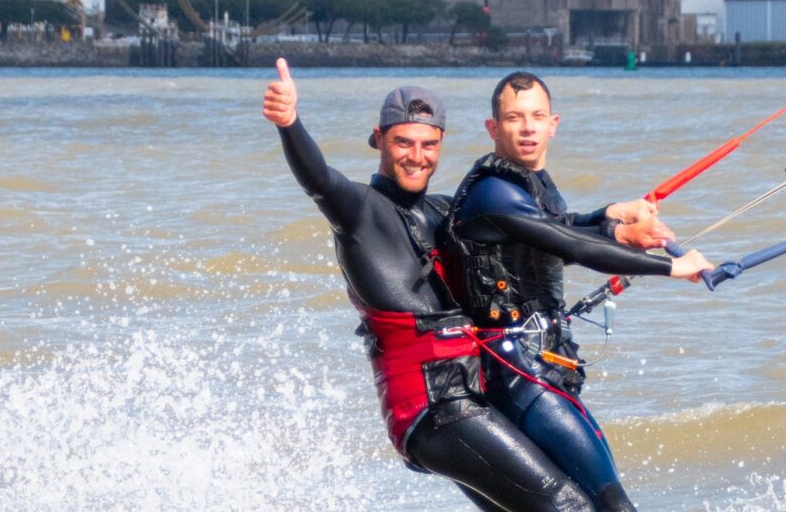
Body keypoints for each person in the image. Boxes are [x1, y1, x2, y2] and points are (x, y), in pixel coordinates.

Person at [262, 59, 595, 510]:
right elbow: (318, 180)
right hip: (432, 410)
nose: (416, 155)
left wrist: (613, 220)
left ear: (441, 146)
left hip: (468, 398)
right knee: (568, 505)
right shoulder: (360, 212)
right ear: (379, 139)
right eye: (402, 142)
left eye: (428, 144)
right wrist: (289, 124)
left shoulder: (442, 212)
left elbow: (540, 229)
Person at [440, 71, 715, 511]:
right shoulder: (492, 193)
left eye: (537, 116)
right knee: (612, 506)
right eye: (514, 118)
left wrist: (611, 220)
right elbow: (570, 245)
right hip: (518, 375)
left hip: (544, 368)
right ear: (493, 128)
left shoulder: (533, 184)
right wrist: (672, 266)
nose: (527, 127)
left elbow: (557, 233)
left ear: (554, 123)